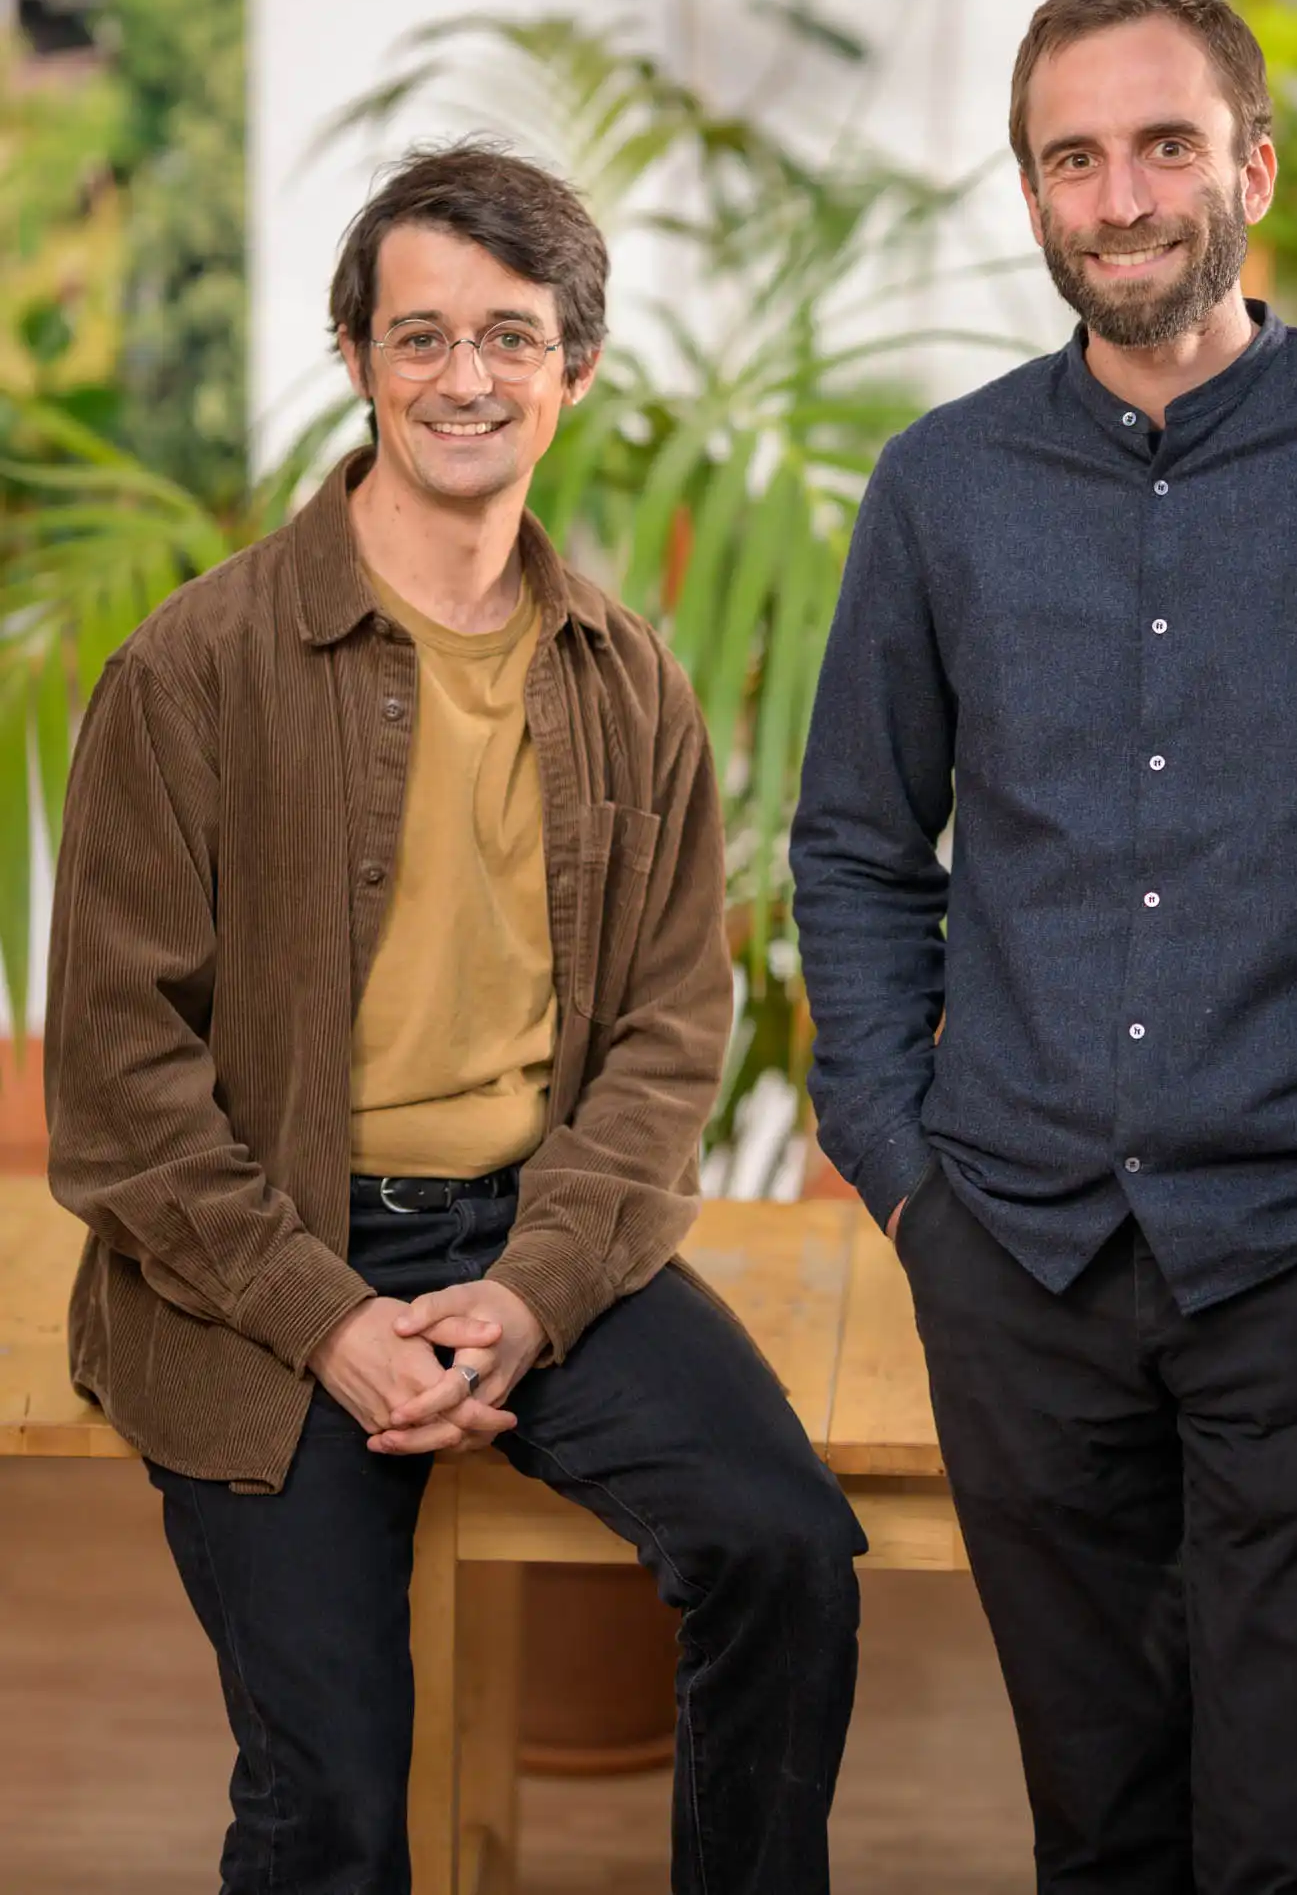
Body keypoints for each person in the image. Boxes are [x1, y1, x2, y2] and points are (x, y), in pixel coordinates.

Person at [790, 0, 1297, 1895]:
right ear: (1034, 199)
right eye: (1073, 158)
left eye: (1162, 144)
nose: (1121, 192)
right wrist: (903, 1170)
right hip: (1021, 1261)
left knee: (1294, 1852)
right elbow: (853, 844)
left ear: (1252, 164)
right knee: (1099, 1837)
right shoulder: (943, 489)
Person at [46, 143, 863, 1895]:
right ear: (354, 358)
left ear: (573, 371)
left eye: (509, 337)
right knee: (332, 1792)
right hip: (255, 1269)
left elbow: (663, 1033)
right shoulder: (191, 670)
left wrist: (532, 1289)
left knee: (786, 1551)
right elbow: (116, 1086)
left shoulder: (628, 679)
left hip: (535, 1240)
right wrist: (329, 1319)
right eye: (419, 337)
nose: (464, 378)